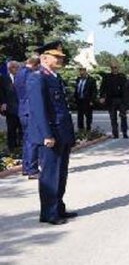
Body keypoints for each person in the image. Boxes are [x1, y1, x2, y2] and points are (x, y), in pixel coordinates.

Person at [26, 41, 76, 225]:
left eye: (61, 56)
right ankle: (48, 213)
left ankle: (58, 207)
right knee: (50, 175)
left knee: (61, 174)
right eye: (57, 56)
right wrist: (47, 135)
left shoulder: (54, 77)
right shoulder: (38, 77)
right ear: (44, 58)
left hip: (61, 133)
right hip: (50, 135)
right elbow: (39, 110)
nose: (61, 59)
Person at [14, 55, 41, 178]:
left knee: (26, 140)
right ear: (36, 64)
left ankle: (26, 167)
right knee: (33, 140)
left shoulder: (19, 73)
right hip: (31, 110)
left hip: (22, 109)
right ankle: (32, 169)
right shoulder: (31, 74)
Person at [99, 62, 128, 138]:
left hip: (121, 99)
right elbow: (102, 88)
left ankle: (124, 132)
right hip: (111, 100)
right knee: (113, 118)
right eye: (112, 68)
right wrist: (102, 97)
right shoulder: (107, 77)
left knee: (123, 116)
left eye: (115, 67)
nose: (114, 69)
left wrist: (127, 101)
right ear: (110, 68)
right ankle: (115, 133)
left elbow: (126, 88)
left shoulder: (122, 76)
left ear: (118, 68)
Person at [1, 60, 22, 151]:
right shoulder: (3, 78)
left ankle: (21, 147)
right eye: (14, 67)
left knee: (22, 129)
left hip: (21, 107)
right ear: (9, 69)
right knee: (11, 129)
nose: (16, 69)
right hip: (10, 108)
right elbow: (1, 92)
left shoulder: (21, 78)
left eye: (17, 67)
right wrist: (2, 103)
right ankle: (12, 149)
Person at [73, 66, 97, 133]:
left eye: (83, 70)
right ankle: (81, 129)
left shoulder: (91, 80)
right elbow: (77, 89)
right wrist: (75, 98)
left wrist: (92, 100)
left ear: (86, 71)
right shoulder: (78, 79)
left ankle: (88, 128)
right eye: (80, 70)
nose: (81, 72)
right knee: (80, 116)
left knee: (88, 116)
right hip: (79, 100)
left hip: (87, 101)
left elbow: (94, 91)